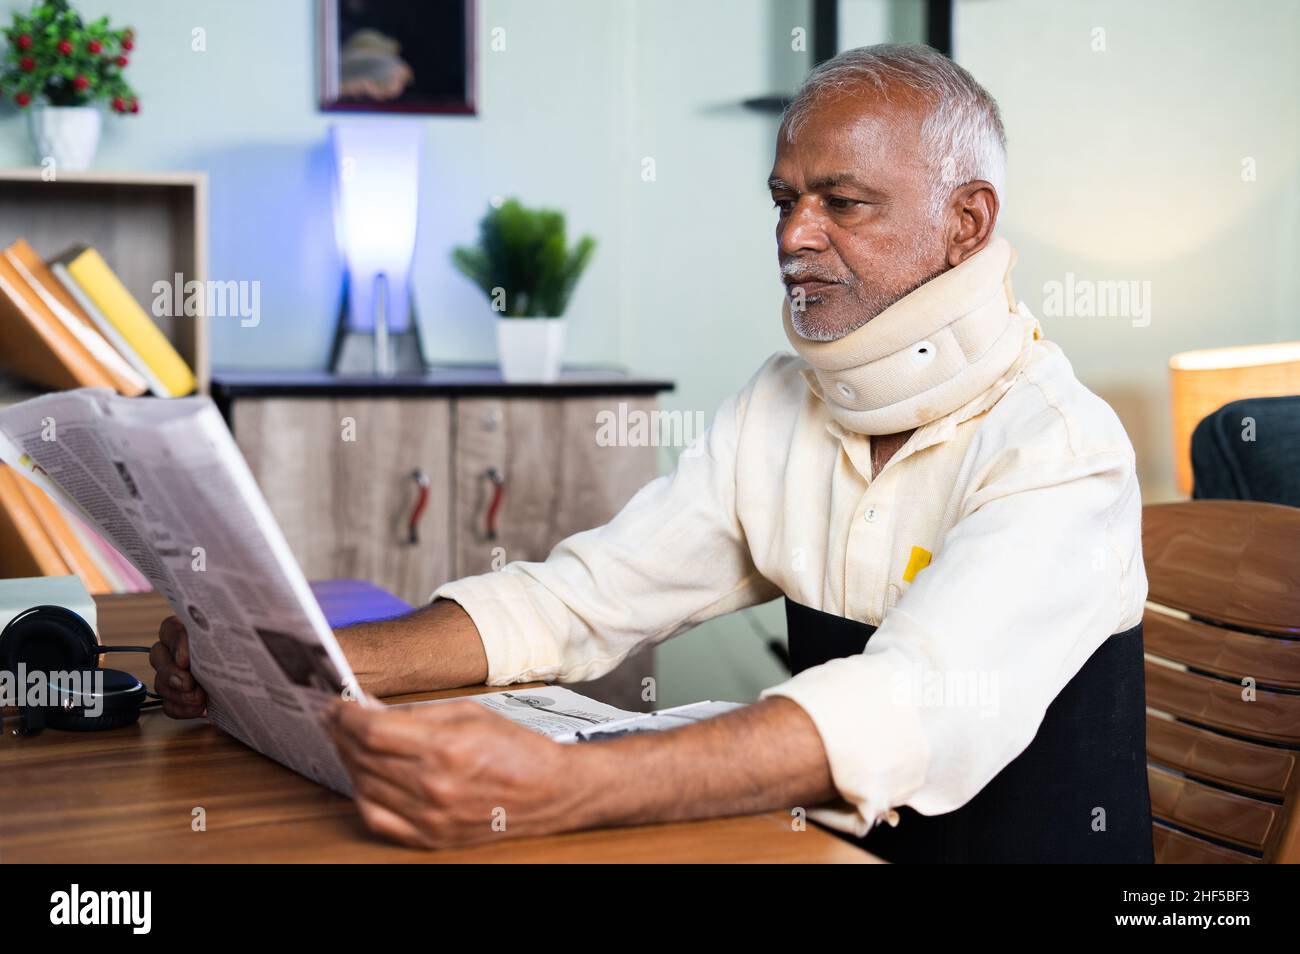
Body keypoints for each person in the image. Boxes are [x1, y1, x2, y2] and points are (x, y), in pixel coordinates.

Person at [152, 44, 1152, 863]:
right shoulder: (779, 405)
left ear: (964, 224)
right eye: (784, 199)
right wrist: (287, 663)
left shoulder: (1059, 448)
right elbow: (583, 599)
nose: (793, 235)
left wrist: (565, 786)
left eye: (841, 202)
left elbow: (909, 706)